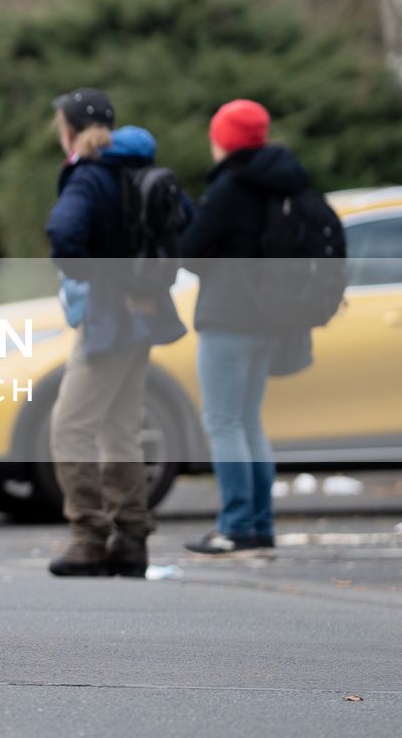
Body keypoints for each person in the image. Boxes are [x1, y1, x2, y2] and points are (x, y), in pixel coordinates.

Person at [43, 88, 186, 578]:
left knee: (70, 425)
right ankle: (130, 539)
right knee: (120, 428)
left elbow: (64, 235)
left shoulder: (88, 175)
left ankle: (87, 536)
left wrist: (97, 275)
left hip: (107, 318)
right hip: (144, 315)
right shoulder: (136, 165)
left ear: (70, 129)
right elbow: (184, 222)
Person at [174, 100, 309, 558]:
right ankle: (260, 523)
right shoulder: (282, 182)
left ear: (224, 140)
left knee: (223, 421)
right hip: (270, 321)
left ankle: (235, 524)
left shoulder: (231, 187)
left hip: (228, 318)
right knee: (248, 421)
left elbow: (189, 250)